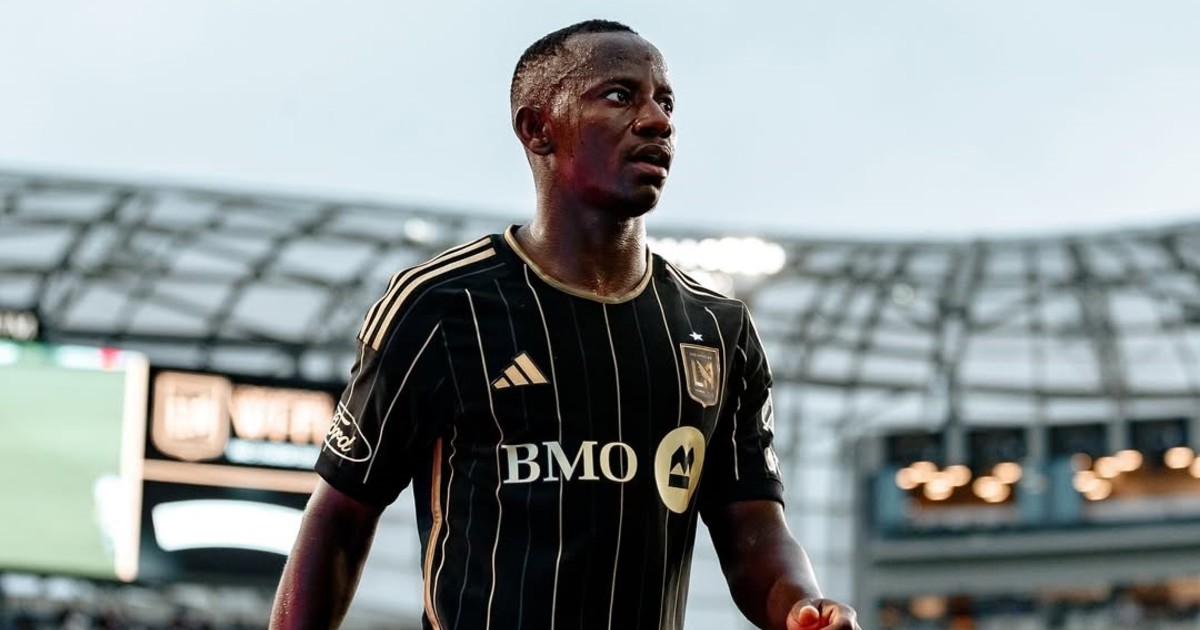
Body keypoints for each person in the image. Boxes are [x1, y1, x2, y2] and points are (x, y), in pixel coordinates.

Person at [270, 19, 860, 630]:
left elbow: (754, 532)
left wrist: (801, 604)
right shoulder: (441, 307)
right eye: (619, 95)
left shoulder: (717, 328)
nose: (657, 120)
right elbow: (339, 519)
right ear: (537, 128)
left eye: (666, 102)